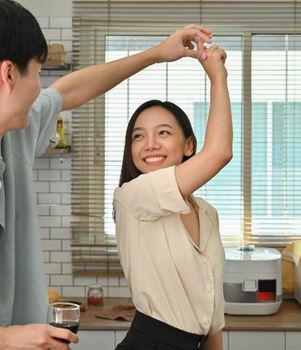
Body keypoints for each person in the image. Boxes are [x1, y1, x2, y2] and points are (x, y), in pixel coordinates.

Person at [0, 0, 213, 348]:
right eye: (38, 72)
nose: (40, 87)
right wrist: (3, 340)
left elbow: (68, 92)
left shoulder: (8, 132)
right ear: (9, 75)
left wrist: (157, 53)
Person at [113, 44, 232, 350]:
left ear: (188, 145)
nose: (149, 144)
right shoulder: (133, 196)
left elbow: (211, 316)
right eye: (138, 136)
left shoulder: (207, 213)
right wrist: (218, 77)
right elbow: (220, 152)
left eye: (163, 133)